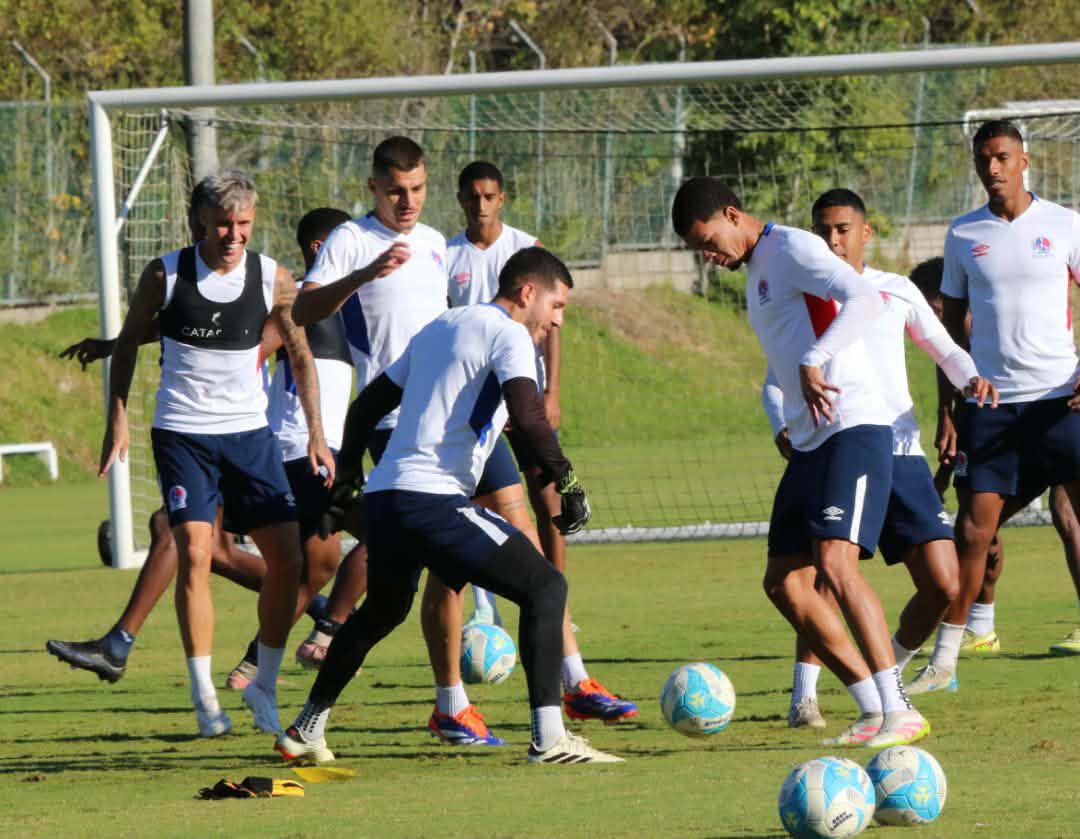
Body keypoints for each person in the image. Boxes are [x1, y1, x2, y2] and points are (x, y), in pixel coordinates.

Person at [276, 247, 622, 765]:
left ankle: (306, 728)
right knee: (547, 587)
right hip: (430, 500)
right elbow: (530, 420)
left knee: (384, 610)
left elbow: (368, 407)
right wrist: (569, 482)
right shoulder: (509, 334)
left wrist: (349, 482)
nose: (557, 321)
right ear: (528, 293)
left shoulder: (442, 326)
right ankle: (550, 739)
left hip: (388, 499)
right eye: (557, 305)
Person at [672, 177, 981, 748]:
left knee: (837, 565)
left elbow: (862, 297)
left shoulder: (792, 247)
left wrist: (818, 359)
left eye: (709, 241)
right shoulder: (761, 268)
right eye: (699, 252)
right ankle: (871, 707)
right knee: (786, 583)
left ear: (732, 214)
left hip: (855, 426)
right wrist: (786, 414)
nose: (710, 257)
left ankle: (898, 709)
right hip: (811, 439)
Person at [98, 169, 332, 737]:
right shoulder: (166, 272)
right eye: (224, 223)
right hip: (183, 434)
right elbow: (128, 342)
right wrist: (118, 419)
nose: (234, 235)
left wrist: (317, 434)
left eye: (244, 224)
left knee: (289, 562)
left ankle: (265, 685)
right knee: (196, 554)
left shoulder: (271, 277)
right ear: (201, 221)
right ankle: (204, 694)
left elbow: (300, 356)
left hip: (251, 437)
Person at [763, 189, 994, 732]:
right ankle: (806, 698)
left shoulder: (895, 291)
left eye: (843, 229)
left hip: (899, 447)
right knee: (827, 571)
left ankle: (885, 669)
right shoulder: (805, 299)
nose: (832, 240)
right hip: (840, 443)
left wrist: (971, 379)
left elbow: (943, 348)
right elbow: (775, 382)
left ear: (867, 233)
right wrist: (782, 427)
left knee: (945, 584)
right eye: (822, 230)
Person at [445, 160, 636, 723]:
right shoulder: (444, 256)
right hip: (463, 428)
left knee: (540, 517)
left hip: (513, 406)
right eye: (473, 196)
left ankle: (564, 655)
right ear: (461, 199)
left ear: (502, 198)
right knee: (424, 571)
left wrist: (547, 394)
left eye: (490, 196)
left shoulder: (528, 250)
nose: (482, 205)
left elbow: (549, 327)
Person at [915, 119, 1080, 693]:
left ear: (1025, 160)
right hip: (991, 406)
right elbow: (948, 335)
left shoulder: (1064, 225)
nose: (993, 167)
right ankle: (946, 660)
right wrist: (947, 410)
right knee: (972, 531)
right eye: (984, 158)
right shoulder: (963, 234)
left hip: (1063, 400)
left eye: (1003, 156)